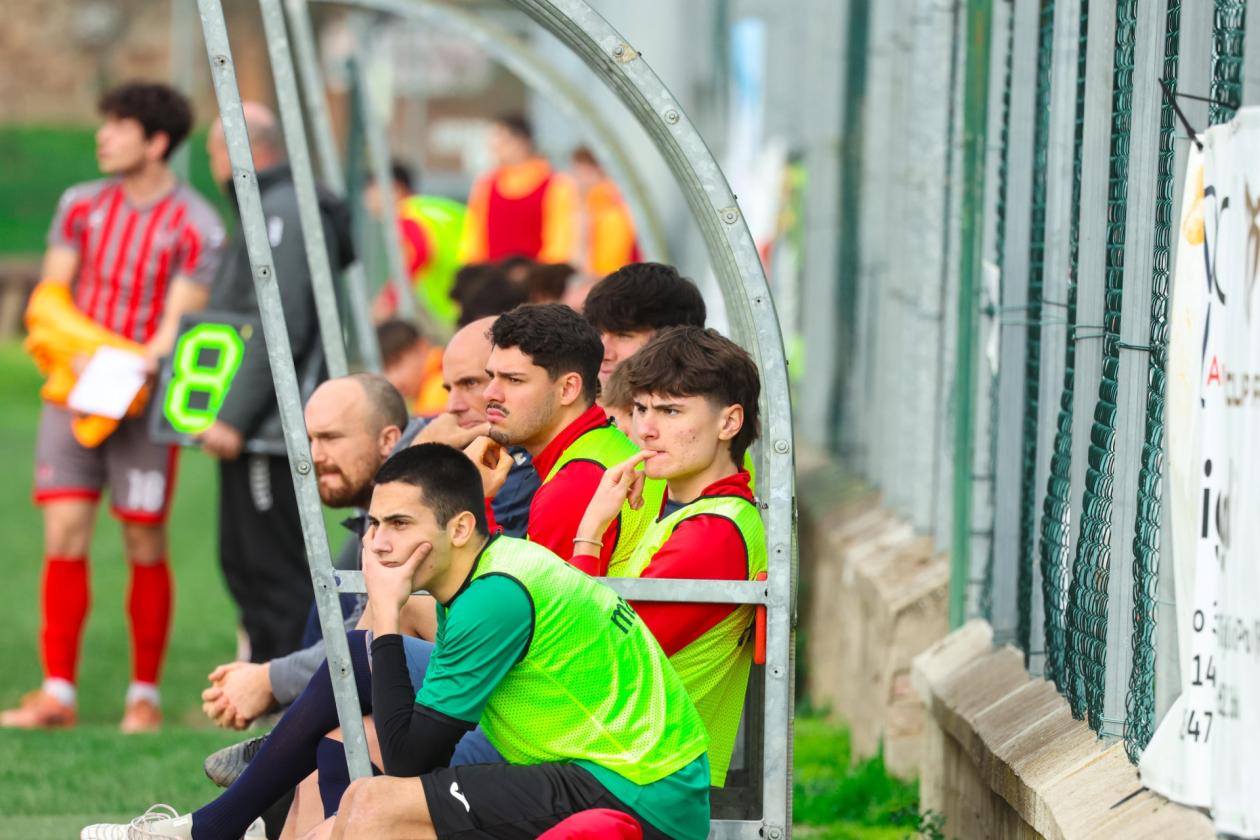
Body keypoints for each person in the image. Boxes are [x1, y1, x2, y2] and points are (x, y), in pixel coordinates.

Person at [341, 444, 713, 839]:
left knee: (376, 805)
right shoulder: (494, 568)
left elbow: (408, 763)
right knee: (359, 799)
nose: (378, 544)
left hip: (639, 789)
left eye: (399, 524)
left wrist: (386, 613)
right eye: (375, 524)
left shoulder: (493, 596)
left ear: (461, 529)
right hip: (618, 774)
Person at [4, 81, 225, 732]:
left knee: (143, 538)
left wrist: (124, 369)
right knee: (64, 533)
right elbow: (52, 296)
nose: (102, 136)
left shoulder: (197, 225)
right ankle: (57, 693)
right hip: (73, 393)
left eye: (118, 125)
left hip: (143, 402)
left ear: (155, 142)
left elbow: (174, 328)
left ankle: (143, 695)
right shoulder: (80, 205)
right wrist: (76, 357)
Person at [574, 326, 765, 787]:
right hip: (610, 746)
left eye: (671, 411)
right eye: (640, 408)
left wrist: (589, 534)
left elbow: (592, 662)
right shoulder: (678, 508)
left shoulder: (711, 533)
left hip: (634, 766)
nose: (646, 428)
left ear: (729, 423)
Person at [199, 101, 355, 665]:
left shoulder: (281, 210)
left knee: (273, 568)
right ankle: (269, 689)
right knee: (245, 560)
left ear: (232, 151)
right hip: (262, 420)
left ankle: (291, 692)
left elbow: (280, 321)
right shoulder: (271, 205)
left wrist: (234, 416)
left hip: (268, 427)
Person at [475, 303, 664, 576]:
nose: (490, 394)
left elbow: (523, 599)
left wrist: (477, 500)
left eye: (513, 380)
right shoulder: (601, 445)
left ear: (568, 389)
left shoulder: (574, 484)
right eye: (491, 377)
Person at [581, 262, 707, 433]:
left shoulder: (700, 429)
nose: (603, 352)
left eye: (623, 335)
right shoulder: (571, 415)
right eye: (599, 333)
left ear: (671, 342)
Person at [458, 114, 576, 265]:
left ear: (522, 142)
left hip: (537, 276)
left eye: (503, 141)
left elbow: (559, 243)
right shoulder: (486, 185)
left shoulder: (556, 185)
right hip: (494, 276)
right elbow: (474, 240)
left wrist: (544, 275)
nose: (495, 148)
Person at [366, 160, 465, 329]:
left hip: (462, 298)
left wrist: (387, 301)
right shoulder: (430, 207)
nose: (367, 199)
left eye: (372, 190)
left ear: (396, 189)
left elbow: (417, 254)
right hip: (479, 289)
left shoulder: (405, 215)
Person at [570, 146, 640, 277]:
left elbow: (610, 261)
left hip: (606, 276)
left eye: (583, 171)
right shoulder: (588, 204)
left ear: (598, 169)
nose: (578, 179)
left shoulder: (612, 209)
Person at [376, 319, 445, 416]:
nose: (393, 379)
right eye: (386, 370)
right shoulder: (424, 391)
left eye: (397, 363)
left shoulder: (439, 388)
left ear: (421, 347)